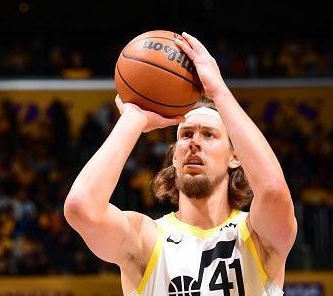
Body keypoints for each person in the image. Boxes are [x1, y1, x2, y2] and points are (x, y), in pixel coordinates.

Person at [64, 32, 297, 295]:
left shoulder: (257, 235)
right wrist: (133, 120)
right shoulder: (148, 240)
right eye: (185, 135)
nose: (193, 143)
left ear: (235, 156)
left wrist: (219, 91)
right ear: (174, 157)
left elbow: (274, 190)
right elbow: (80, 207)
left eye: (208, 134)